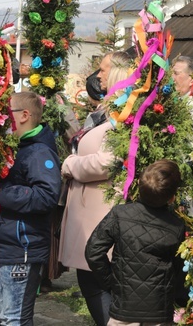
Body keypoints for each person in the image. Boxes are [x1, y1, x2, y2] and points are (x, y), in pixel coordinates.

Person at [0, 91, 61, 325]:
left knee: (14, 319)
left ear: (24, 115)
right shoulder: (7, 149)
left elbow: (46, 196)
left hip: (20, 251)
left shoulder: (39, 152)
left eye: (6, 115)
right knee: (4, 317)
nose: (1, 121)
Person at [58, 56, 134, 326]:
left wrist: (71, 164)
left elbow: (108, 161)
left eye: (103, 70)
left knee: (100, 289)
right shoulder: (109, 110)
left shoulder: (124, 113)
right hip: (90, 214)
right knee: (92, 286)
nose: (98, 76)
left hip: (100, 215)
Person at [84, 160, 185, 326]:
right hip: (158, 310)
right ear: (172, 197)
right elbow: (178, 269)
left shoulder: (119, 214)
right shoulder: (176, 226)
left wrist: (111, 282)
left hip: (123, 308)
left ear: (138, 184)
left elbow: (93, 252)